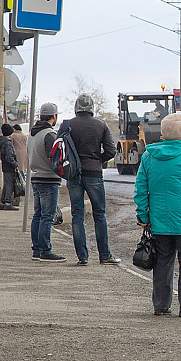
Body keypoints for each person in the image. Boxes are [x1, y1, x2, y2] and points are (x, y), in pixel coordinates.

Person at [134, 113, 181, 318]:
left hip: (160, 221)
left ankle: (161, 305)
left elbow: (140, 189)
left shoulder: (149, 157)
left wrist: (144, 215)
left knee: (162, 262)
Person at [67, 93, 120, 265]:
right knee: (100, 214)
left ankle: (82, 257)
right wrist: (98, 160)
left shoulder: (68, 125)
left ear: (76, 107)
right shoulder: (101, 125)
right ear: (91, 108)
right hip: (94, 173)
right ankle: (105, 255)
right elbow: (111, 151)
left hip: (73, 174)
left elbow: (59, 147)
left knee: (77, 215)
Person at [28, 103, 65, 262]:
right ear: (54, 116)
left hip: (35, 177)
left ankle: (37, 249)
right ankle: (45, 250)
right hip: (48, 179)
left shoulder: (32, 133)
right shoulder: (49, 134)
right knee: (47, 217)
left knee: (38, 215)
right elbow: (55, 158)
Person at [0, 124, 19, 211]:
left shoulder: (3, 142)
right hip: (9, 167)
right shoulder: (8, 143)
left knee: (6, 184)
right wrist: (15, 164)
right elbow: (9, 157)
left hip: (5, 166)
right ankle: (8, 202)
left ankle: (3, 202)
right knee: (9, 185)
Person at [10, 123, 28, 207]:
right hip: (25, 155)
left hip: (17, 155)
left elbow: (11, 145)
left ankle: (16, 196)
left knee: (17, 175)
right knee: (23, 173)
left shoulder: (13, 136)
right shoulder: (25, 136)